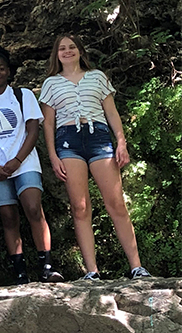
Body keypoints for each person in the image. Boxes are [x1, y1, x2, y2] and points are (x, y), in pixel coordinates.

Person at [38, 35, 151, 280]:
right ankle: (92, 272)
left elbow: (111, 112)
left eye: (72, 47)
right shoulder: (50, 83)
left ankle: (137, 267)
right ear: (56, 54)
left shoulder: (97, 76)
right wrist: (53, 155)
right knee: (80, 207)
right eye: (62, 48)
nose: (68, 52)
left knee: (116, 203)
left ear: (80, 50)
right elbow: (47, 123)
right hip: (68, 140)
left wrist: (121, 142)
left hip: (98, 137)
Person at [0, 47, 64, 285]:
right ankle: (20, 273)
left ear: (8, 71)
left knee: (33, 207)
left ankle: (46, 267)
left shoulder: (23, 96)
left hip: (25, 162)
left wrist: (17, 160)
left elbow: (33, 129)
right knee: (8, 216)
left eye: (0, 68)